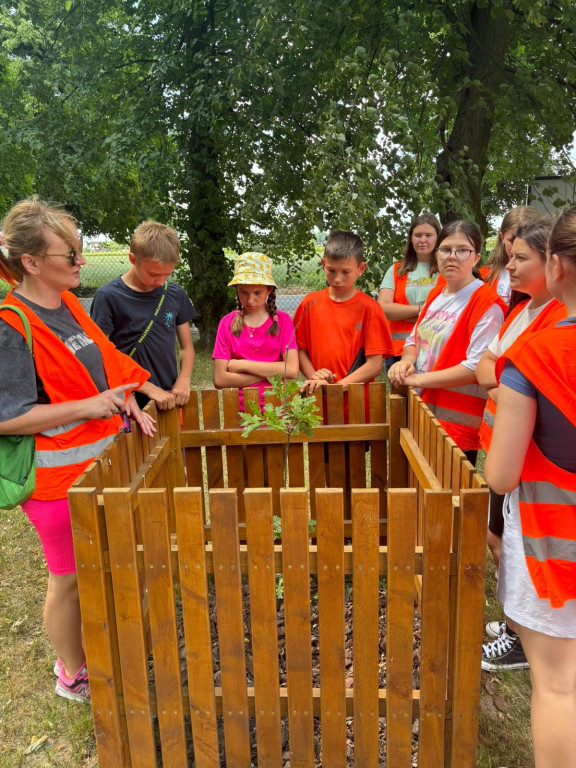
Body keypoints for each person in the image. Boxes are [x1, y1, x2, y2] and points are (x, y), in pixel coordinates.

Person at [0, 197, 157, 705]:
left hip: (92, 467)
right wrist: (90, 406)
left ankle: (97, 648)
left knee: (98, 567)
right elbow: (7, 417)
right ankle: (72, 674)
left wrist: (128, 395)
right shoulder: (10, 325)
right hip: (53, 484)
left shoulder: (67, 304)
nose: (81, 263)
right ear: (31, 263)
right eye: (69, 255)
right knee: (67, 580)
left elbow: (104, 359)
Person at [484, 206, 576, 768]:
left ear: (558, 265)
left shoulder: (533, 358)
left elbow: (500, 475)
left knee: (559, 685)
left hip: (554, 543)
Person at [477, 217, 566, 671]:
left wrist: (510, 387)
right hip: (505, 442)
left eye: (520, 257)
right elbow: (486, 366)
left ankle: (522, 636)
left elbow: (503, 373)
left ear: (555, 264)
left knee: (556, 683)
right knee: (500, 536)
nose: (508, 266)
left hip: (531, 470)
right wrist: (506, 383)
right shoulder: (521, 311)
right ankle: (517, 622)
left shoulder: (549, 330)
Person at [388, 221, 505, 465]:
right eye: (445, 249)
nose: (452, 257)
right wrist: (407, 361)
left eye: (462, 250)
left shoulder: (485, 303)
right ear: (436, 254)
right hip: (423, 411)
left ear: (476, 258)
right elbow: (413, 341)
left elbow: (475, 367)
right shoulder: (436, 295)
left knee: (449, 498)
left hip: (456, 425)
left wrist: (417, 379)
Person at [91, 220, 196, 410]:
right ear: (132, 259)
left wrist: (184, 379)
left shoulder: (175, 294)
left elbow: (186, 347)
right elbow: (102, 355)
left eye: (167, 274)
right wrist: (147, 388)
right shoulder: (108, 296)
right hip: (127, 402)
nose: (160, 281)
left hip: (167, 398)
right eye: (154, 274)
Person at [294, 229, 393, 399]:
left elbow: (375, 365)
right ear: (323, 264)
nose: (337, 279)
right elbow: (299, 350)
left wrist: (337, 388)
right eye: (331, 271)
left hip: (356, 404)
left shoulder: (370, 308)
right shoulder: (308, 303)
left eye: (345, 272)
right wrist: (315, 378)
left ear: (360, 269)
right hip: (316, 398)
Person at [212, 252, 298, 410]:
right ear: (236, 289)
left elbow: (291, 370)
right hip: (238, 413)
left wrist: (243, 365)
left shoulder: (283, 321)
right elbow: (220, 379)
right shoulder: (226, 323)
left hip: (276, 412)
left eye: (257, 293)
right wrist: (271, 372)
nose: (250, 300)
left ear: (269, 290)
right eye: (243, 292)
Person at [377, 213, 441, 370]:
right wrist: (421, 310)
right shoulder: (397, 270)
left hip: (436, 347)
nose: (422, 240)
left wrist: (404, 313)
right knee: (401, 395)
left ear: (438, 238)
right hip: (399, 350)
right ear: (411, 239)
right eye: (418, 235)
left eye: (428, 235)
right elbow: (383, 308)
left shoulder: (446, 269)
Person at [481, 206, 540, 305]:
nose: (516, 246)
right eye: (512, 240)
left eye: (525, 240)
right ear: (502, 237)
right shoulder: (484, 276)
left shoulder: (543, 284)